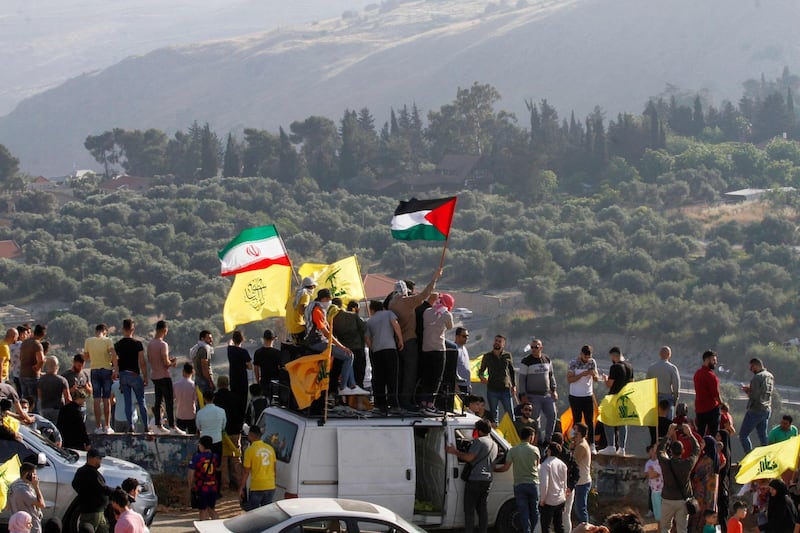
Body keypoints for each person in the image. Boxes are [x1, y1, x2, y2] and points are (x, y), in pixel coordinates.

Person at [388, 271, 442, 409]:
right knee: (410, 373)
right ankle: (406, 401)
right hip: (409, 341)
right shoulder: (406, 302)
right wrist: (434, 279)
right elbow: (424, 295)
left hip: (396, 342)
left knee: (399, 373)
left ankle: (397, 400)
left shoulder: (391, 303)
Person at [305, 288, 367, 396]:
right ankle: (344, 387)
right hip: (316, 342)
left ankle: (352, 386)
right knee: (348, 355)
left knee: (349, 355)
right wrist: (342, 347)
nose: (329, 302)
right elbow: (325, 332)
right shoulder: (317, 310)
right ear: (324, 299)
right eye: (328, 299)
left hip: (317, 340)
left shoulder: (315, 307)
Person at [446, 419, 497, 533]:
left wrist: (455, 452)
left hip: (475, 479)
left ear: (479, 430)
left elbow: (469, 458)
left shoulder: (479, 441)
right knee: (482, 509)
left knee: (469, 510)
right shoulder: (494, 444)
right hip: (487, 480)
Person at [494, 426, 540, 533]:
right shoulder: (535, 450)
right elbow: (537, 465)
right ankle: (533, 530)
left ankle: (526, 530)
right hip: (533, 484)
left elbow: (505, 467)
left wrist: (494, 469)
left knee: (523, 511)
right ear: (530, 437)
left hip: (519, 484)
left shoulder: (513, 450)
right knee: (535, 510)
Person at [658, 423, 700, 533]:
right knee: (682, 529)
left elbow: (660, 451)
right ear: (683, 451)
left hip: (667, 499)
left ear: (670, 451)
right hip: (683, 500)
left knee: (665, 528)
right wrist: (690, 435)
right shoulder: (687, 464)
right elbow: (696, 450)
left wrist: (668, 434)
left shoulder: (665, 463)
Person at [365, 300, 403, 413]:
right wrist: (400, 339)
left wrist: (372, 348)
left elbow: (367, 338)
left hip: (377, 351)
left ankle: (380, 403)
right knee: (392, 377)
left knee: (379, 378)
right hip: (390, 348)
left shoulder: (369, 321)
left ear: (371, 310)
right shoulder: (389, 313)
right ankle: (394, 404)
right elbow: (395, 324)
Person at [419, 293, 454, 414]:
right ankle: (430, 403)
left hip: (426, 348)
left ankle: (423, 403)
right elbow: (450, 327)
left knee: (426, 377)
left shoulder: (427, 311)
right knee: (436, 378)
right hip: (439, 349)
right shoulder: (446, 314)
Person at [518, 338, 558, 444]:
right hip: (532, 395)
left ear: (541, 347)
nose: (534, 349)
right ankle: (538, 439)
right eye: (532, 347)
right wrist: (523, 395)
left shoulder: (547, 359)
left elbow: (551, 375)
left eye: (536, 347)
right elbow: (521, 379)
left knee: (552, 415)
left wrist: (554, 390)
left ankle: (548, 438)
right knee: (535, 419)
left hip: (546, 394)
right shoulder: (526, 361)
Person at [114, 319, 149, 434]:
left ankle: (131, 426)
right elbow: (142, 362)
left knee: (127, 402)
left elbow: (116, 362)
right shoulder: (137, 344)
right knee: (141, 401)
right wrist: (145, 377)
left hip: (123, 375)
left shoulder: (117, 345)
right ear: (133, 329)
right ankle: (146, 426)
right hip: (134, 374)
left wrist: (117, 374)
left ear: (123, 329)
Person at [147, 320, 180, 434]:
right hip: (164, 376)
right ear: (164, 330)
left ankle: (158, 423)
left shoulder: (150, 344)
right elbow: (165, 362)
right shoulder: (163, 344)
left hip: (155, 375)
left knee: (158, 400)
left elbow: (151, 359)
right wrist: (172, 363)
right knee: (169, 401)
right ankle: (172, 426)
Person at [599, 347, 633, 456]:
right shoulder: (629, 367)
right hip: (625, 397)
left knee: (607, 419)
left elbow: (610, 384)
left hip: (614, 397)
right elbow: (632, 382)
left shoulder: (615, 367)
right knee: (623, 422)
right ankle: (622, 448)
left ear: (614, 356)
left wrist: (605, 379)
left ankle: (611, 446)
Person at [72, 448, 114, 533]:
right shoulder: (90, 473)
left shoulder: (84, 471)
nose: (100, 461)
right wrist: (116, 491)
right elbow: (103, 488)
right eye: (99, 458)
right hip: (92, 513)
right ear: (91, 458)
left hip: (98, 512)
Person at [84, 324, 115, 434]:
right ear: (105, 331)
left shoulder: (88, 341)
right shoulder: (108, 341)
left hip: (94, 370)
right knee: (106, 399)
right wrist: (115, 368)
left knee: (96, 399)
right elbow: (113, 354)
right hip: (107, 370)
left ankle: (98, 427)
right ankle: (107, 426)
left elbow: (86, 357)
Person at [477, 335, 516, 424]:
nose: (497, 342)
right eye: (496, 340)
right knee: (494, 415)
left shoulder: (507, 355)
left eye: (499, 341)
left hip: (505, 389)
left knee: (510, 413)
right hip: (492, 389)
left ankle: (512, 435)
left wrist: (514, 386)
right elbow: (481, 370)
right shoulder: (487, 356)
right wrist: (481, 377)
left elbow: (512, 372)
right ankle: (495, 435)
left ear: (503, 344)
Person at [567, 345, 598, 452]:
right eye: (585, 358)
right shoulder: (573, 362)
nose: (586, 360)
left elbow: (596, 378)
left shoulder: (592, 362)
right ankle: (574, 442)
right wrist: (582, 374)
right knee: (577, 420)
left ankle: (592, 444)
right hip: (575, 396)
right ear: (581, 354)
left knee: (590, 421)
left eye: (588, 358)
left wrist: (594, 375)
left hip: (587, 395)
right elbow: (570, 379)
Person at [739, 358, 774, 455]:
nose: (751, 369)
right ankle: (766, 455)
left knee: (743, 435)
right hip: (766, 409)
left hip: (756, 409)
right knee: (763, 436)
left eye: (752, 367)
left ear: (756, 365)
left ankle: (749, 455)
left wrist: (747, 391)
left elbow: (754, 396)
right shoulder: (770, 376)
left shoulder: (757, 377)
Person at [195, 390, 225, 492]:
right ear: (213, 398)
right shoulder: (221, 411)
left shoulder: (200, 413)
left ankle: (203, 487)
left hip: (204, 442)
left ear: (204, 399)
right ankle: (217, 489)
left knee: (202, 465)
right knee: (217, 466)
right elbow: (223, 426)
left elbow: (198, 427)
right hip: (217, 441)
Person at [240, 425, 276, 510]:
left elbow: (246, 472)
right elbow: (274, 469)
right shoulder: (270, 448)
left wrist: (241, 487)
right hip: (270, 486)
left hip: (257, 486)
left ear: (251, 435)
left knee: (253, 513)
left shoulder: (250, 450)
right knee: (267, 512)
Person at [688, 436, 720, 533]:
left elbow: (696, 476)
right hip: (711, 494)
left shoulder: (706, 460)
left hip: (701, 493)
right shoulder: (715, 459)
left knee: (698, 517)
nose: (701, 445)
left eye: (703, 443)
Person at [333, 300, 368, 388]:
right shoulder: (353, 316)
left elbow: (333, 336)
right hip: (357, 349)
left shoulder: (333, 318)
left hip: (343, 351)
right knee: (359, 376)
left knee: (344, 375)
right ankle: (358, 396)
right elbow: (364, 329)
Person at [189, 435, 220, 521]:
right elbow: (218, 469)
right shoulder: (215, 457)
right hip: (213, 487)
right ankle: (217, 525)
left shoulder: (197, 457)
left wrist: (190, 485)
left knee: (202, 510)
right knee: (211, 509)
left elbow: (191, 473)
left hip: (202, 487)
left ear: (202, 445)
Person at [539, 442, 567, 533]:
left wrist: (542, 500)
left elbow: (544, 484)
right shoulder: (562, 464)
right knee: (559, 525)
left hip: (549, 500)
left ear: (549, 451)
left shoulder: (545, 465)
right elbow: (564, 483)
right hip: (560, 499)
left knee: (546, 526)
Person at [9, 462, 45, 533]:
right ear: (27, 474)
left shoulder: (13, 486)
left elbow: (8, 506)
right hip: (30, 528)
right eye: (34, 474)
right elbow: (42, 504)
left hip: (19, 526)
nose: (36, 477)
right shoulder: (24, 490)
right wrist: (36, 487)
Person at [693, 350, 721, 437]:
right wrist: (722, 404)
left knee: (700, 433)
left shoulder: (697, 374)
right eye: (713, 360)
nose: (715, 362)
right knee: (713, 433)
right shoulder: (711, 376)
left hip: (699, 409)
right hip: (711, 408)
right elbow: (716, 395)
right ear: (707, 360)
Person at [647, 346, 680, 419]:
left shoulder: (651, 367)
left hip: (654, 398)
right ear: (669, 355)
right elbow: (676, 386)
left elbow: (647, 385)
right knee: (667, 424)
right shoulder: (672, 368)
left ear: (659, 354)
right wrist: (675, 399)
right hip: (667, 398)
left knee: (655, 424)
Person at [19, 325, 46, 410]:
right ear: (43, 334)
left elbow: (20, 357)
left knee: (25, 402)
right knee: (34, 402)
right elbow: (41, 360)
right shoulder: (37, 344)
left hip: (22, 374)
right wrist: (37, 368)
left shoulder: (25, 342)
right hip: (32, 376)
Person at [226, 330, 252, 416]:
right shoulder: (244, 352)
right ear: (242, 339)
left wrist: (231, 340)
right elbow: (250, 366)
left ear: (233, 339)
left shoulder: (230, 350)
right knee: (243, 401)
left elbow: (229, 343)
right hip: (242, 380)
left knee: (234, 400)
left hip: (233, 379)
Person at [37, 356, 70, 424]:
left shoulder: (41, 380)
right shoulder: (62, 380)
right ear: (57, 366)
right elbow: (68, 399)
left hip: (45, 409)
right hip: (58, 410)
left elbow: (40, 396)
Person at [286, 276, 316, 345]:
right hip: (298, 327)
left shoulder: (294, 293)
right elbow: (302, 310)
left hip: (290, 327)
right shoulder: (305, 294)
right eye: (314, 287)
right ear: (311, 287)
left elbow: (286, 307)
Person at [252, 330, 281, 401]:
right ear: (273, 339)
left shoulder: (258, 352)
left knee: (265, 402)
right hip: (275, 382)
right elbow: (280, 368)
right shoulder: (277, 353)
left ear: (263, 339)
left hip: (264, 382)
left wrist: (258, 381)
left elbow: (256, 369)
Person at [572, 423, 592, 526]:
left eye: (574, 430)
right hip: (582, 481)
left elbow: (573, 462)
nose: (573, 431)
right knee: (579, 507)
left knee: (580, 508)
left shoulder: (581, 446)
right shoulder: (580, 444)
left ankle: (585, 528)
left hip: (582, 482)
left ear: (579, 433)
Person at [173, 363, 197, 434]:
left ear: (183, 371)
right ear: (192, 372)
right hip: (191, 416)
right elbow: (196, 402)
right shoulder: (193, 386)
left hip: (180, 415)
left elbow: (172, 398)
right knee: (192, 439)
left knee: (180, 438)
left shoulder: (175, 385)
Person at [190, 330, 215, 395]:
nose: (211, 340)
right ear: (202, 339)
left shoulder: (196, 348)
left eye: (211, 338)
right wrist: (210, 382)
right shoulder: (204, 349)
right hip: (204, 380)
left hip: (198, 378)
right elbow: (204, 367)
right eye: (209, 338)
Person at [644, 444, 663, 524]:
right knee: (656, 508)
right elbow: (646, 474)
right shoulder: (648, 462)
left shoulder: (660, 461)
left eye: (654, 449)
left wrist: (651, 471)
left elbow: (653, 475)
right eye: (651, 450)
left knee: (661, 511)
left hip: (660, 489)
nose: (653, 451)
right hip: (653, 488)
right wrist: (650, 471)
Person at [454, 327, 471, 396]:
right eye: (464, 336)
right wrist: (456, 387)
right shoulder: (454, 349)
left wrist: (469, 384)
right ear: (457, 337)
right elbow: (451, 370)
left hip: (466, 385)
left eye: (467, 336)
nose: (466, 338)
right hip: (459, 387)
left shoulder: (464, 348)